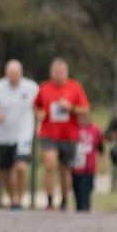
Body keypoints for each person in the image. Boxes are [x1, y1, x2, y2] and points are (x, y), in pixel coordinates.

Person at [0, 60, 38, 210]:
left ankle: (19, 198)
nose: (14, 76)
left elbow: (40, 105)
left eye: (16, 73)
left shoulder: (31, 87)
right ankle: (13, 198)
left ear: (21, 73)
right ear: (7, 73)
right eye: (11, 73)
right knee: (5, 170)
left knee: (21, 167)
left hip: (24, 134)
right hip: (3, 134)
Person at [34, 58, 90, 211]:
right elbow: (36, 106)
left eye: (61, 72)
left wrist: (71, 108)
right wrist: (39, 115)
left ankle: (64, 200)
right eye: (55, 72)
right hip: (48, 133)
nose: (58, 75)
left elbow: (85, 110)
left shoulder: (75, 87)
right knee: (49, 164)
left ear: (66, 72)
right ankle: (50, 201)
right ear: (51, 72)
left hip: (69, 135)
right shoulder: (44, 88)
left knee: (65, 171)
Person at [70, 118, 104, 212]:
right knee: (77, 194)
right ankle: (79, 213)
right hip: (75, 168)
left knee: (85, 195)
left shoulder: (95, 129)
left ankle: (84, 215)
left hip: (89, 168)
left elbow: (101, 148)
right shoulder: (72, 127)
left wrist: (101, 164)